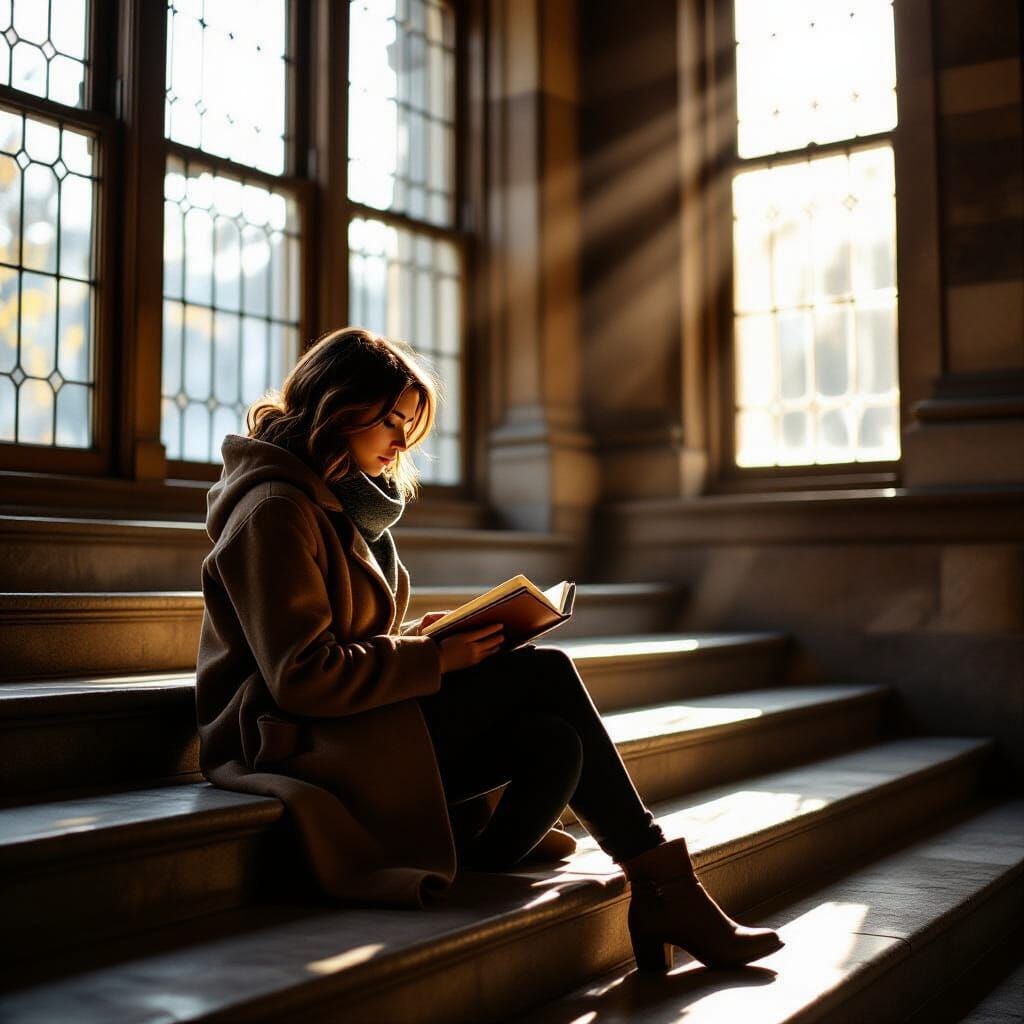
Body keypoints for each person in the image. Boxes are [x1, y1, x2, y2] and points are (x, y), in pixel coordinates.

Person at [195, 326, 783, 972]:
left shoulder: (339, 505)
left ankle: (512, 865)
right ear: (338, 407)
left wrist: (426, 640)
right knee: (546, 674)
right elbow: (300, 676)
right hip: (295, 740)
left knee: (554, 744)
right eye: (391, 420)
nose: (401, 441)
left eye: (409, 425)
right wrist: (435, 659)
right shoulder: (276, 509)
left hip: (352, 722)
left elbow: (344, 641)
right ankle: (664, 886)